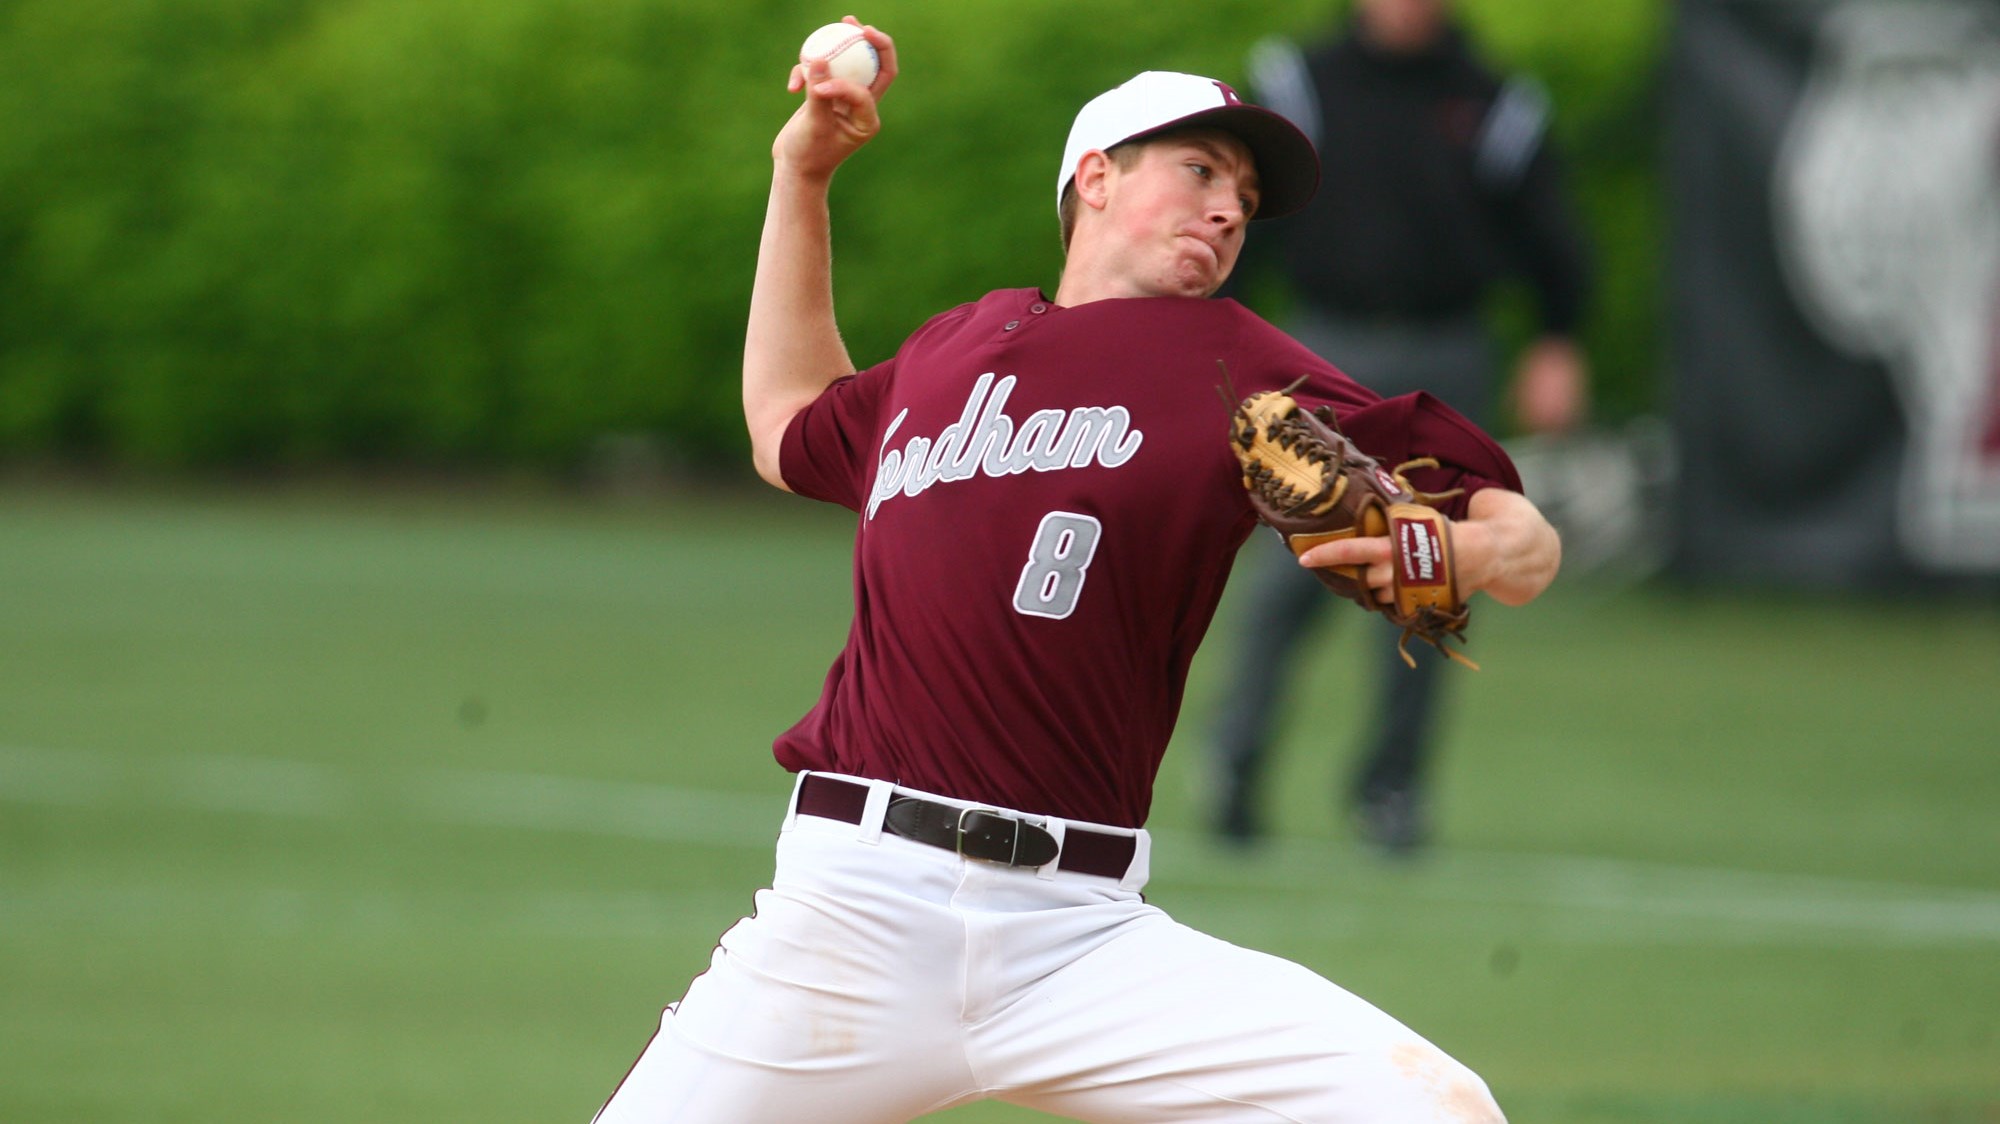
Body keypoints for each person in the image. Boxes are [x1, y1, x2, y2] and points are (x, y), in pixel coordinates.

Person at [590, 17, 1560, 1122]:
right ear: (1094, 176)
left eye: (1242, 193)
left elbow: (1510, 531)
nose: (1229, 207)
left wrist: (1484, 545)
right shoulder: (956, 350)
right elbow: (784, 425)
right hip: (851, 914)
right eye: (1199, 169)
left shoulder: (1233, 366)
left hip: (1079, 938)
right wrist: (799, 170)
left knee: (1436, 1108)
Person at [1207, 0, 1593, 855]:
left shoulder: (1495, 101)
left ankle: (1392, 791)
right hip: (1320, 353)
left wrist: (1557, 339)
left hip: (1445, 359)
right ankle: (1234, 765)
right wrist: (1209, 346)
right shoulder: (1298, 82)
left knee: (1430, 577)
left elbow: (1550, 236)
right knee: (1285, 572)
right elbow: (1240, 221)